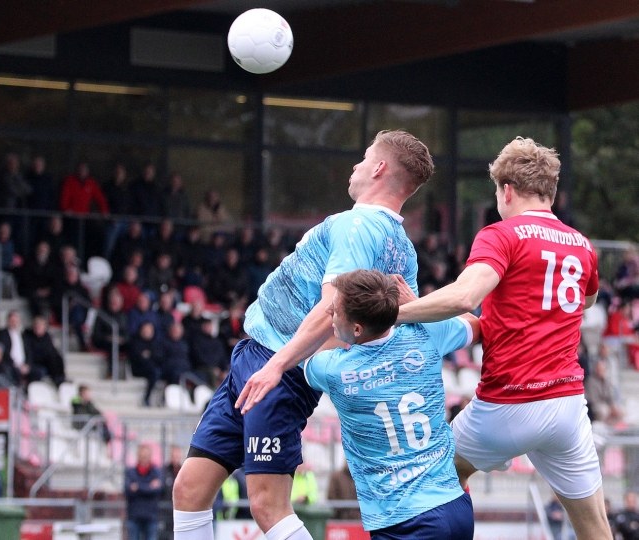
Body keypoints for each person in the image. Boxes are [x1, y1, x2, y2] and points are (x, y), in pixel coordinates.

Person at [173, 130, 433, 540]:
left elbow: (334, 306)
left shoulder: (358, 224)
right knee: (189, 489)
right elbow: (401, 320)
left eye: (365, 158)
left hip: (278, 367)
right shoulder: (401, 247)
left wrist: (277, 366)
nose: (356, 166)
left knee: (267, 505)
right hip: (257, 360)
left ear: (380, 168)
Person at [394, 137, 610, 540]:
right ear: (550, 192)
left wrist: (395, 312)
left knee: (433, 478)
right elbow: (587, 300)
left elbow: (465, 296)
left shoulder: (501, 234)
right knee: (595, 528)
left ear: (506, 190)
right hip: (566, 405)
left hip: (508, 403)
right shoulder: (583, 245)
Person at [301, 269, 477, 537]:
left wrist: (340, 327)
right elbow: (476, 325)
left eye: (335, 311)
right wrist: (414, 306)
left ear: (357, 328)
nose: (328, 313)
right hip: (454, 506)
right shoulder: (424, 334)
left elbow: (309, 351)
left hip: (403, 521)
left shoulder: (333, 369)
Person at [125, 443, 163, 540]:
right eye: (142, 456)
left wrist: (138, 487)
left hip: (151, 517)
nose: (144, 458)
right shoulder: (131, 472)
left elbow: (158, 490)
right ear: (138, 456)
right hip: (134, 517)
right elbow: (128, 491)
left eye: (146, 456)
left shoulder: (156, 472)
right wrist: (149, 487)